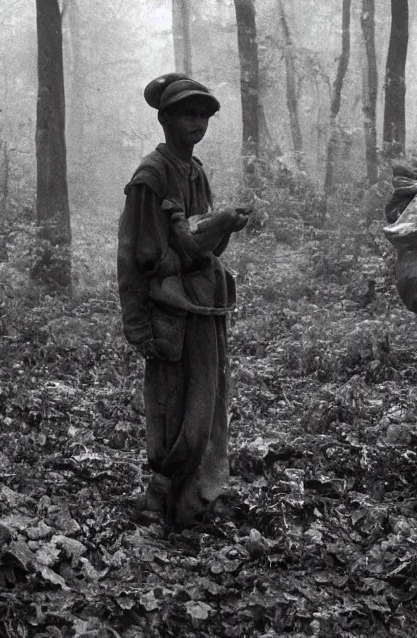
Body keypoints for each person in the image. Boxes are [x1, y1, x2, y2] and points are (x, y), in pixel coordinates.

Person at [117, 73, 250, 527]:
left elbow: (204, 242)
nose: (197, 122)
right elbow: (138, 257)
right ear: (164, 119)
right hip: (169, 308)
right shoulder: (151, 177)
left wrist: (219, 228)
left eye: (203, 115)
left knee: (206, 398)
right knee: (172, 399)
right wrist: (135, 322)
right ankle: (163, 494)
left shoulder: (195, 171)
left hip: (202, 305)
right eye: (186, 114)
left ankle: (194, 494)